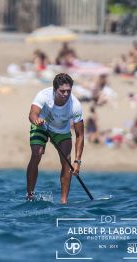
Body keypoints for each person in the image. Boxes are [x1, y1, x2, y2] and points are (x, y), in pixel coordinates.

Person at [26, 73, 84, 204]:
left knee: (67, 160)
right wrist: (36, 120)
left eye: (68, 91)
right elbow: (32, 114)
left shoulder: (75, 105)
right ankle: (30, 195)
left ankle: (64, 201)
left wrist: (78, 161)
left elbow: (80, 135)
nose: (65, 94)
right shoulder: (43, 95)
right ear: (54, 90)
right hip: (41, 125)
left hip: (61, 131)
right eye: (62, 91)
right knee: (37, 153)